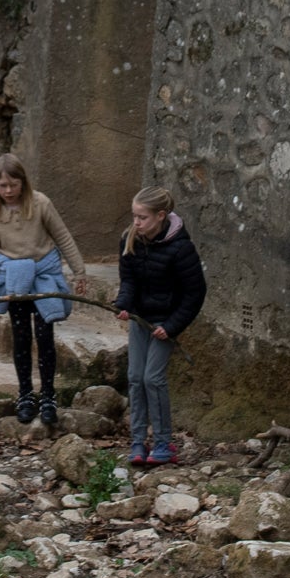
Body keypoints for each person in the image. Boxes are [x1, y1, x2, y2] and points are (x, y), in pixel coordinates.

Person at [0, 154, 86, 430]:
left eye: (14, 184)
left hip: (43, 274)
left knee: (44, 334)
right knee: (21, 336)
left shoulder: (40, 203)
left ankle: (48, 395)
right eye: (3, 186)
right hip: (15, 279)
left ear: (23, 182)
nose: (9, 191)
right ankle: (25, 394)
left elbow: (63, 237)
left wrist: (79, 271)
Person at [111, 186, 207, 468]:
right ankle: (138, 441)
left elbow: (195, 293)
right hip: (141, 319)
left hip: (166, 323)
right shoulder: (130, 240)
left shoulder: (181, 249)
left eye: (142, 217)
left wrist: (172, 326)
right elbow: (128, 280)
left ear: (161, 216)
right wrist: (123, 304)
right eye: (134, 216)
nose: (136, 223)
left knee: (153, 378)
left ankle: (164, 443)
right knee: (135, 377)